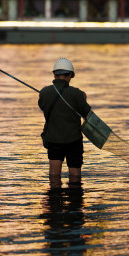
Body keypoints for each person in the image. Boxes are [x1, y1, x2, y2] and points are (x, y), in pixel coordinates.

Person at [39, 58, 91, 188]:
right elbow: (87, 113)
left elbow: (42, 106)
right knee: (75, 175)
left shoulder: (44, 92)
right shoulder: (77, 94)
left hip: (53, 139)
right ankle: (74, 201)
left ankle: (55, 200)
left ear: (54, 74)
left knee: (54, 175)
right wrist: (83, 98)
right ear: (69, 75)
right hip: (73, 141)